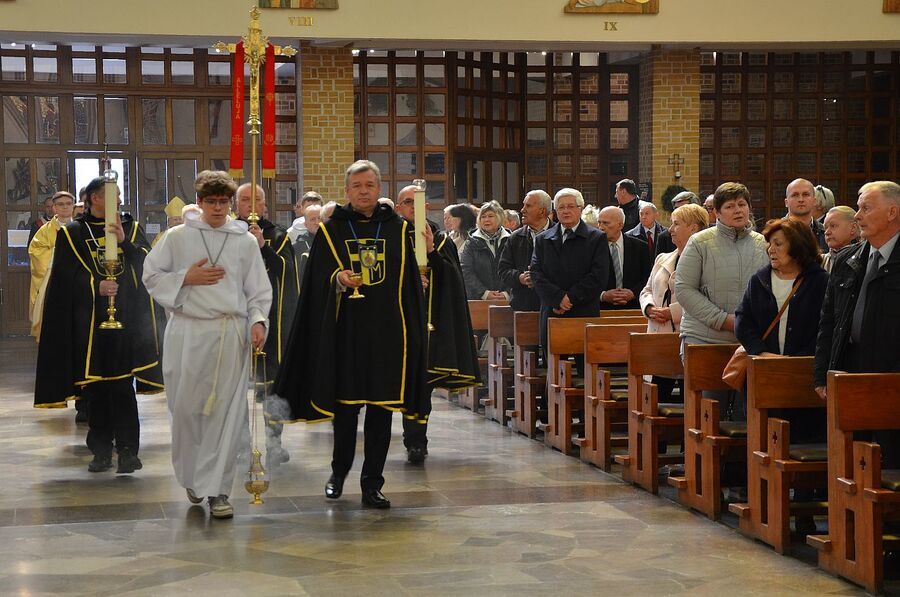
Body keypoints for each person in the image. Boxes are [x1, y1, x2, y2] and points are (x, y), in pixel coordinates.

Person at [274, 160, 428, 509]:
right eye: (357, 185)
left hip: (388, 336)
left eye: (370, 185)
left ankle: (372, 483)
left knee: (381, 412)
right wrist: (338, 280)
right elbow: (316, 282)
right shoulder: (332, 231)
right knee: (345, 412)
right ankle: (338, 473)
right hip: (346, 335)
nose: (363, 191)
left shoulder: (399, 230)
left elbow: (412, 279)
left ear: (378, 188)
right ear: (347, 190)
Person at [143, 170, 272, 519]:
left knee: (226, 415)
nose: (218, 208)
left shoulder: (243, 241)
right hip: (187, 333)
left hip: (230, 334)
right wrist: (186, 277)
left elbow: (258, 290)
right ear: (199, 203)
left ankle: (218, 490)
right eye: (211, 201)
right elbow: (151, 275)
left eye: (224, 202)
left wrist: (258, 321)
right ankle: (192, 475)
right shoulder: (176, 238)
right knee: (186, 411)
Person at [34, 176, 163, 473]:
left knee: (122, 387)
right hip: (88, 324)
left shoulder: (129, 228)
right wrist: (95, 286)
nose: (118, 200)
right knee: (96, 389)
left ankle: (129, 450)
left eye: (118, 195)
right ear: (94, 198)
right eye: (111, 195)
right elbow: (65, 280)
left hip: (127, 321)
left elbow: (149, 266)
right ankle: (101, 450)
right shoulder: (73, 234)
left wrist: (123, 243)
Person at [815, 181, 900, 467]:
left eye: (865, 208)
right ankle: (850, 512)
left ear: (892, 212)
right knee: (852, 457)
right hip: (851, 367)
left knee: (889, 458)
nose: (858, 215)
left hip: (891, 373)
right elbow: (828, 320)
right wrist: (822, 372)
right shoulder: (847, 260)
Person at [395, 185, 480, 464]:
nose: (412, 208)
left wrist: (431, 252)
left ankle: (417, 440)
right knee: (405, 387)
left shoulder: (441, 240)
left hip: (430, 326)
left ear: (426, 208)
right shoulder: (391, 238)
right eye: (407, 202)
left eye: (417, 203)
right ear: (398, 208)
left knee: (423, 386)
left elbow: (453, 280)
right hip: (398, 327)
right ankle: (405, 439)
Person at [674, 182, 768, 420]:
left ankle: (738, 457)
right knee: (708, 409)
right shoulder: (700, 242)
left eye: (742, 204)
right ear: (716, 212)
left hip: (748, 340)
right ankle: (700, 455)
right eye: (729, 206)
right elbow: (684, 289)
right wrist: (722, 319)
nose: (738, 210)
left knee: (743, 414)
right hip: (705, 338)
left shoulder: (763, 244)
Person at [236, 182, 300, 467]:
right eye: (245, 199)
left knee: (272, 385)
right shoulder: (225, 234)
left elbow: (288, 272)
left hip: (270, 320)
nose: (251, 205)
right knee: (235, 385)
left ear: (264, 205)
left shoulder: (278, 235)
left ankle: (274, 442)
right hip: (235, 318)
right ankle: (240, 443)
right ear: (236, 205)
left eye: (257, 199)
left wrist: (263, 246)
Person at [639, 203, 708, 402]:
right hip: (658, 335)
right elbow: (647, 290)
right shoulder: (663, 258)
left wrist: (672, 312)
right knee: (656, 398)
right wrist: (649, 307)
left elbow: (704, 297)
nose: (670, 230)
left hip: (685, 334)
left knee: (690, 398)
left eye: (676, 224)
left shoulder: (706, 260)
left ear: (694, 228)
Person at [530, 188, 609, 351]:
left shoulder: (596, 238)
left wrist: (570, 298)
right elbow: (536, 274)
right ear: (555, 211)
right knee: (552, 371)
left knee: (586, 370)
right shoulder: (543, 239)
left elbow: (599, 275)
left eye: (571, 206)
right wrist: (557, 298)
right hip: (552, 311)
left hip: (583, 311)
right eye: (561, 207)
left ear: (580, 208)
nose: (566, 211)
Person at [29, 191, 75, 338]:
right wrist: (58, 252)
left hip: (77, 279)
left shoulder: (81, 228)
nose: (65, 207)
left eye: (68, 204)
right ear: (54, 208)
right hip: (53, 279)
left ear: (73, 207)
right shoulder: (44, 231)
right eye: (60, 204)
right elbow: (35, 252)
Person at [498, 190, 552, 312]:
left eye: (528, 206)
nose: (522, 210)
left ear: (542, 211)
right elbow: (503, 271)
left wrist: (539, 279)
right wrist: (520, 277)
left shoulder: (558, 235)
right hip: (523, 306)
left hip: (552, 305)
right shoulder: (515, 238)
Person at [597, 205, 652, 310]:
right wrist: (603, 295)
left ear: (620, 225)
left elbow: (648, 277)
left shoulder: (640, 247)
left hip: (634, 307)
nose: (601, 227)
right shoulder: (593, 248)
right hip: (602, 309)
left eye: (606, 223)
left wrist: (633, 293)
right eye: (599, 222)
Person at [460, 200, 510, 300]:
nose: (486, 219)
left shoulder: (511, 240)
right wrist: (484, 293)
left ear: (499, 217)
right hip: (478, 299)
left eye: (490, 216)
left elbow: (517, 269)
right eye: (483, 216)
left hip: (508, 299)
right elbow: (466, 270)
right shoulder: (471, 242)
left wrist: (507, 293)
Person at [784, 178, 827, 252]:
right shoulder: (774, 232)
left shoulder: (825, 233)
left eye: (805, 194)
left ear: (814, 201)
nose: (801, 199)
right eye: (795, 195)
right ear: (786, 202)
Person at [821, 205, 860, 272]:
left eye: (833, 226)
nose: (826, 232)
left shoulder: (865, 259)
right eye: (825, 227)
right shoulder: (819, 262)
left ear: (853, 228)